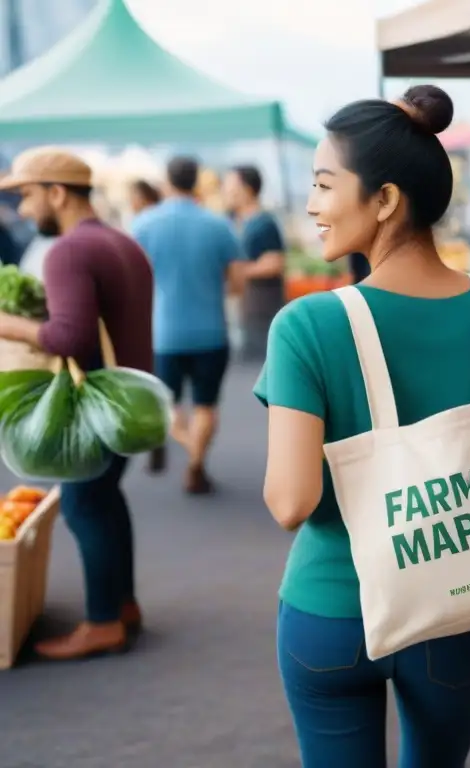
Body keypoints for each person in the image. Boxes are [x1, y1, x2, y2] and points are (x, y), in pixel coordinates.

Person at [256, 85, 470, 767]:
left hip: (333, 613)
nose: (311, 205)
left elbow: (290, 502)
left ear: (385, 199)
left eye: (324, 185)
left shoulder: (308, 325)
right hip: (462, 605)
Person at [0, 147, 153, 660]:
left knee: (85, 505)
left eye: (26, 196)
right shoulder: (121, 242)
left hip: (93, 406)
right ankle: (122, 606)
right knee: (106, 500)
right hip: (130, 400)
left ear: (56, 193)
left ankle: (104, 622)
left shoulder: (67, 252)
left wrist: (8, 324)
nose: (22, 210)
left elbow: (67, 338)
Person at [132, 156, 242, 494]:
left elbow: (135, 279)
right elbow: (237, 283)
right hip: (212, 330)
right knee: (206, 405)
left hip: (164, 333)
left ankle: (186, 448)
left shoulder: (144, 224)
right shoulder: (219, 225)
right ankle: (197, 462)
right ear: (196, 181)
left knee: (167, 406)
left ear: (167, 180)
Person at [221, 165, 286, 361]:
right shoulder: (231, 220)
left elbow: (275, 263)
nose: (226, 190)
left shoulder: (264, 223)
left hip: (262, 306)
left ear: (247, 189)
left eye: (231, 185)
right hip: (242, 308)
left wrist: (237, 271)